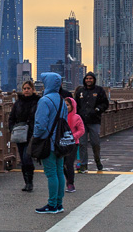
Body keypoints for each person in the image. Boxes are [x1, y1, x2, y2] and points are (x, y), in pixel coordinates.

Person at [32, 72, 69, 214]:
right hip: (60, 142)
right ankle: (59, 203)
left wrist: (36, 137)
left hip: (48, 142)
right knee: (59, 171)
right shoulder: (61, 100)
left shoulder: (44, 101)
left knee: (51, 173)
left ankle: (52, 204)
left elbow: (41, 124)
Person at [8, 79, 40, 192]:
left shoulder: (38, 102)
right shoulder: (18, 102)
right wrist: (12, 129)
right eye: (24, 89)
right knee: (22, 158)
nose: (26, 90)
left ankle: (30, 182)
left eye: (28, 88)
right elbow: (11, 118)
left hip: (32, 133)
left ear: (33, 89)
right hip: (20, 133)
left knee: (27, 157)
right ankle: (26, 182)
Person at [76, 72, 109, 172]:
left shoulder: (99, 90)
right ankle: (83, 164)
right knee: (82, 143)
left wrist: (98, 109)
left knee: (95, 143)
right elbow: (75, 104)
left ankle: (97, 160)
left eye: (90, 78)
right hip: (82, 122)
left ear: (94, 79)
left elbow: (105, 103)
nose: (88, 80)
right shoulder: (80, 91)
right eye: (87, 78)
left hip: (94, 121)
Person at [62, 97, 86, 192]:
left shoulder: (77, 117)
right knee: (62, 164)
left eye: (68, 105)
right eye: (64, 105)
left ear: (72, 106)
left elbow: (82, 130)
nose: (66, 107)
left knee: (69, 163)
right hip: (62, 143)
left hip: (73, 144)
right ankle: (68, 179)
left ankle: (70, 183)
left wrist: (73, 136)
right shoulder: (60, 116)